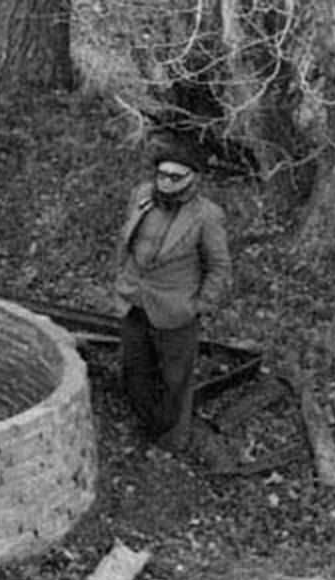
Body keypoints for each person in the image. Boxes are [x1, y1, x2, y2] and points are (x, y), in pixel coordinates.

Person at [113, 142, 232, 457]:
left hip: (176, 311)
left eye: (175, 177)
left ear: (193, 179)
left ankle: (171, 441)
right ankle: (148, 424)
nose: (166, 182)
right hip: (135, 300)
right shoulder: (141, 197)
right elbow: (128, 242)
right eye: (162, 174)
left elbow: (219, 266)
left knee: (175, 380)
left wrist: (200, 306)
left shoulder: (206, 216)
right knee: (134, 371)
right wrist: (122, 280)